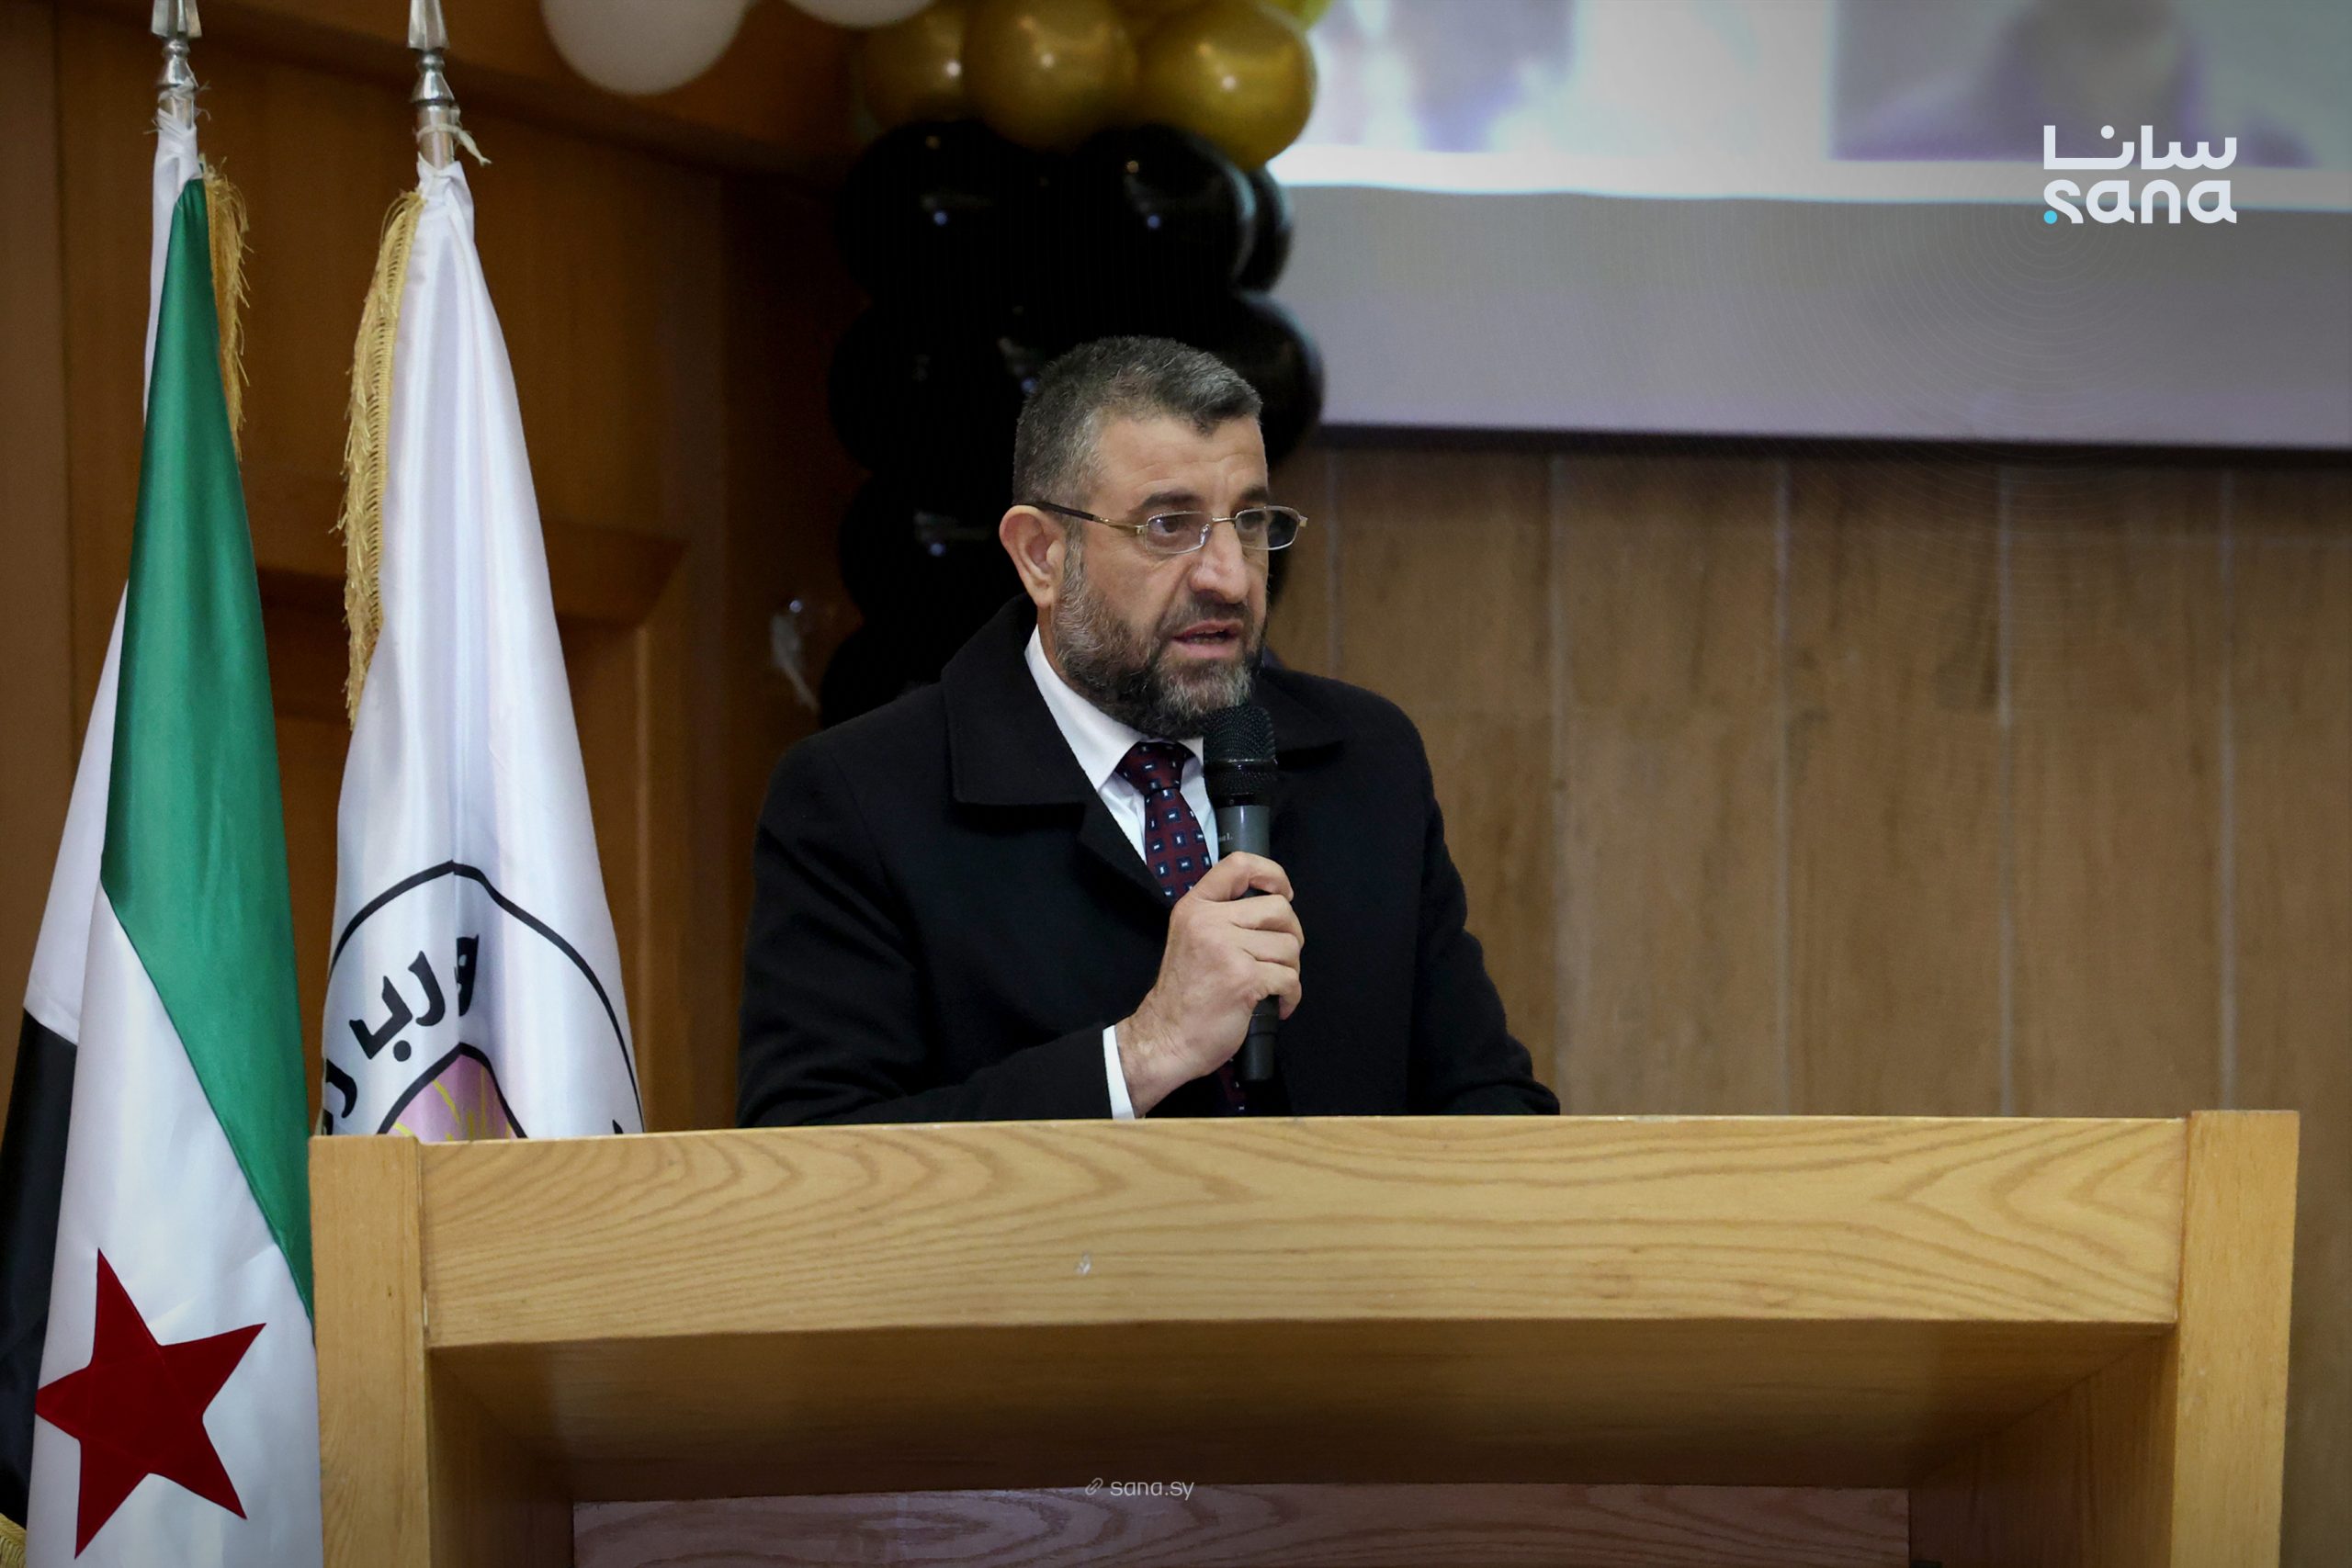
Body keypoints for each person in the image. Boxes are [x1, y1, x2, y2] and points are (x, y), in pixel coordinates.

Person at [738, 337, 1558, 1123]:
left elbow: (1488, 1100)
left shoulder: (1366, 760)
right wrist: (1142, 1053)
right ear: (1041, 555)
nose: (1228, 577)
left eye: (1249, 521)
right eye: (1169, 526)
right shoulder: (863, 798)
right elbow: (816, 1160)